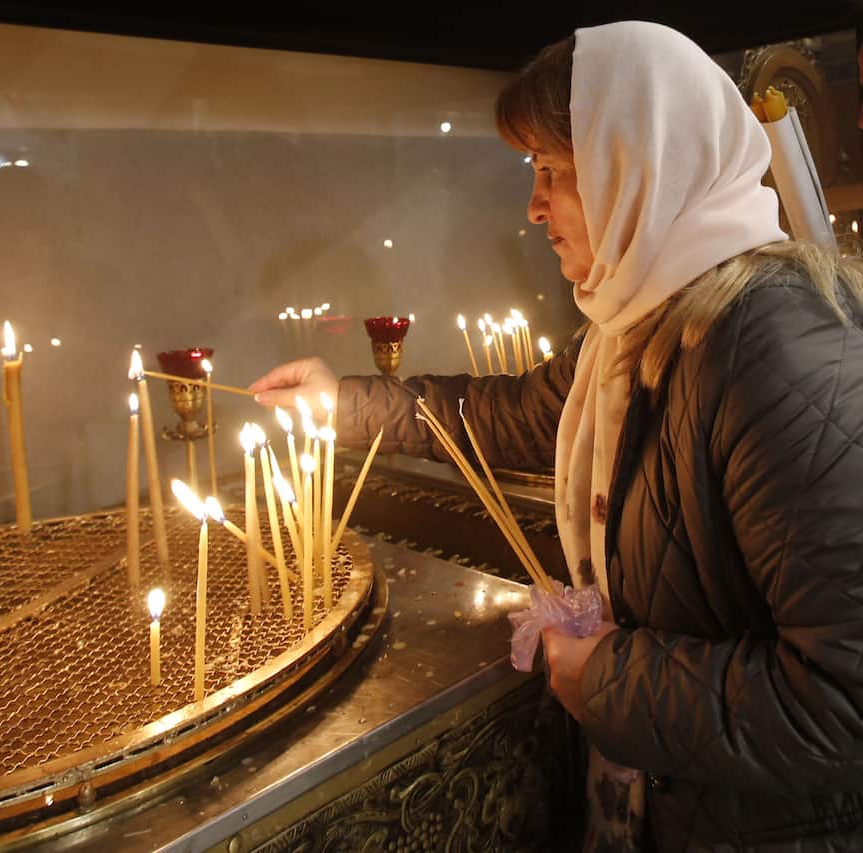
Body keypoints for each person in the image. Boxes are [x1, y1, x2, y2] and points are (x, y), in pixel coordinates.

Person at [250, 21, 863, 852]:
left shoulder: (770, 348)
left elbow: (843, 699)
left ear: (636, 164)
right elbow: (504, 418)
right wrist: (345, 403)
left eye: (551, 173)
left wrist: (610, 678)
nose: (534, 208)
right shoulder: (640, 325)